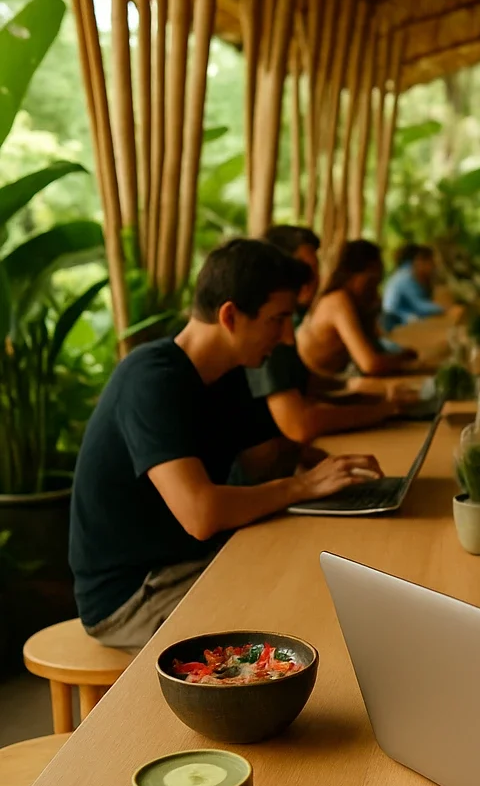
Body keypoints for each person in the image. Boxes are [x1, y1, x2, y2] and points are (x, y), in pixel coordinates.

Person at [69, 239, 382, 651]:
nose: (288, 336)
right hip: (135, 593)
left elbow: (267, 457)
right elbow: (202, 513)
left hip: (195, 560)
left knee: (329, 576)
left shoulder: (231, 372)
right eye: (278, 319)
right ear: (230, 315)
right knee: (303, 618)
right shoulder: (151, 379)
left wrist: (331, 472)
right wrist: (305, 487)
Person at [248, 229, 403, 441]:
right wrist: (381, 410)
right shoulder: (263, 328)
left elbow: (309, 383)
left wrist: (366, 396)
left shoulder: (287, 321)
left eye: (316, 268)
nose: (314, 278)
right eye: (305, 269)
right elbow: (301, 425)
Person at [297, 239, 417, 378]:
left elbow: (374, 350)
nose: (374, 289)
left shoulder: (356, 302)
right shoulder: (337, 300)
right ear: (351, 275)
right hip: (311, 385)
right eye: (371, 281)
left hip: (328, 382)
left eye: (377, 282)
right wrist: (401, 359)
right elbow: (369, 364)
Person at [381, 243, 444, 331]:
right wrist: (443, 309)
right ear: (419, 260)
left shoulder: (405, 273)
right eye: (432, 262)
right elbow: (419, 306)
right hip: (393, 321)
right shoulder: (406, 276)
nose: (434, 267)